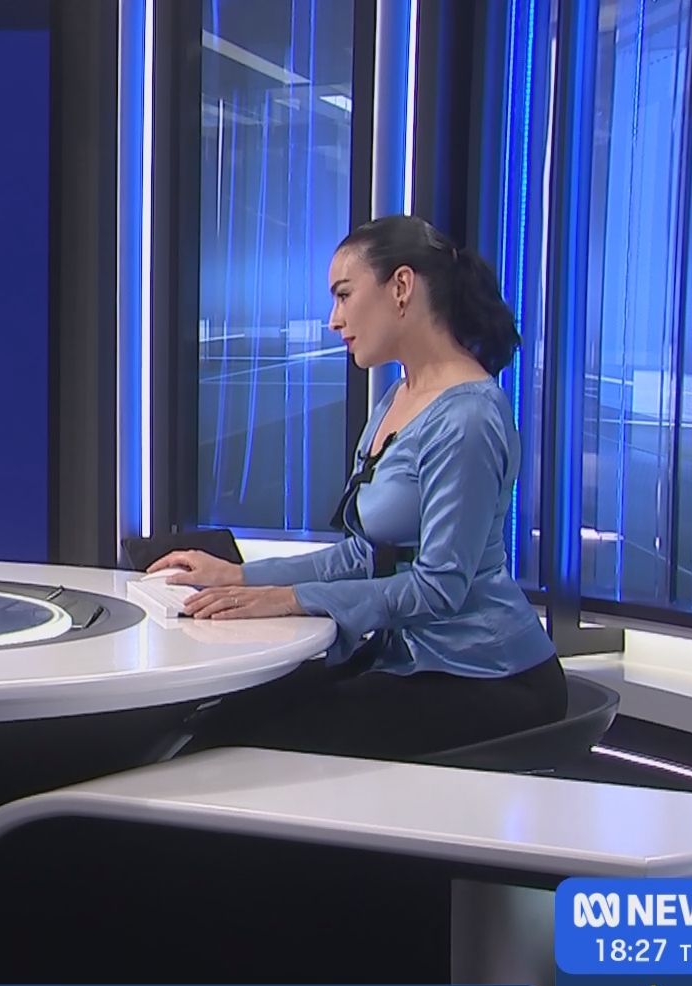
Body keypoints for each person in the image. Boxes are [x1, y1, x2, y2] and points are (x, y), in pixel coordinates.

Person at [150, 215, 566, 759]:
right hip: (409, 657)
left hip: (486, 675)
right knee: (224, 715)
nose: (333, 320)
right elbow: (364, 555)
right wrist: (240, 576)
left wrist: (293, 599)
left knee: (245, 744)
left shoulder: (468, 419)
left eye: (344, 295)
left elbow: (440, 587)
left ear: (401, 287)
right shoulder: (399, 397)